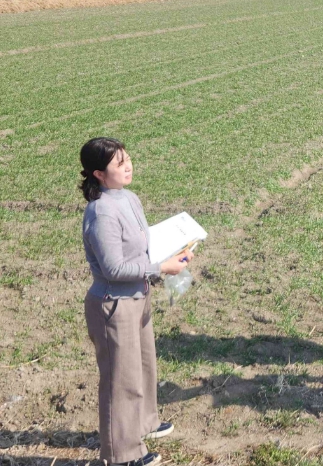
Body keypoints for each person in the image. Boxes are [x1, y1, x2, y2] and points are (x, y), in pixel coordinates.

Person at [79, 137, 194, 466]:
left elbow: (144, 246)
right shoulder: (101, 212)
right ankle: (121, 453)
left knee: (143, 365)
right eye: (119, 163)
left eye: (127, 158)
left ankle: (144, 423)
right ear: (99, 174)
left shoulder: (129, 198)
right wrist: (161, 268)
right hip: (113, 305)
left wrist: (174, 253)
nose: (128, 166)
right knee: (120, 380)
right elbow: (114, 269)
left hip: (138, 296)